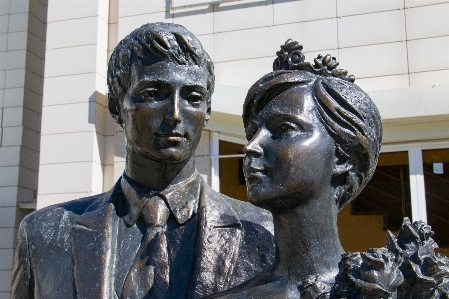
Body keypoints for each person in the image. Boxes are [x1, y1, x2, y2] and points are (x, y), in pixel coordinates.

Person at [11, 23, 275, 299]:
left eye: (193, 98)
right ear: (116, 105)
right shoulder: (43, 235)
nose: (175, 113)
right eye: (153, 94)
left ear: (207, 111)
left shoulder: (264, 232)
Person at [214, 40, 382, 298]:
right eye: (252, 133)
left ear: (342, 158)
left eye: (284, 129)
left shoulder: (392, 288)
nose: (251, 147)